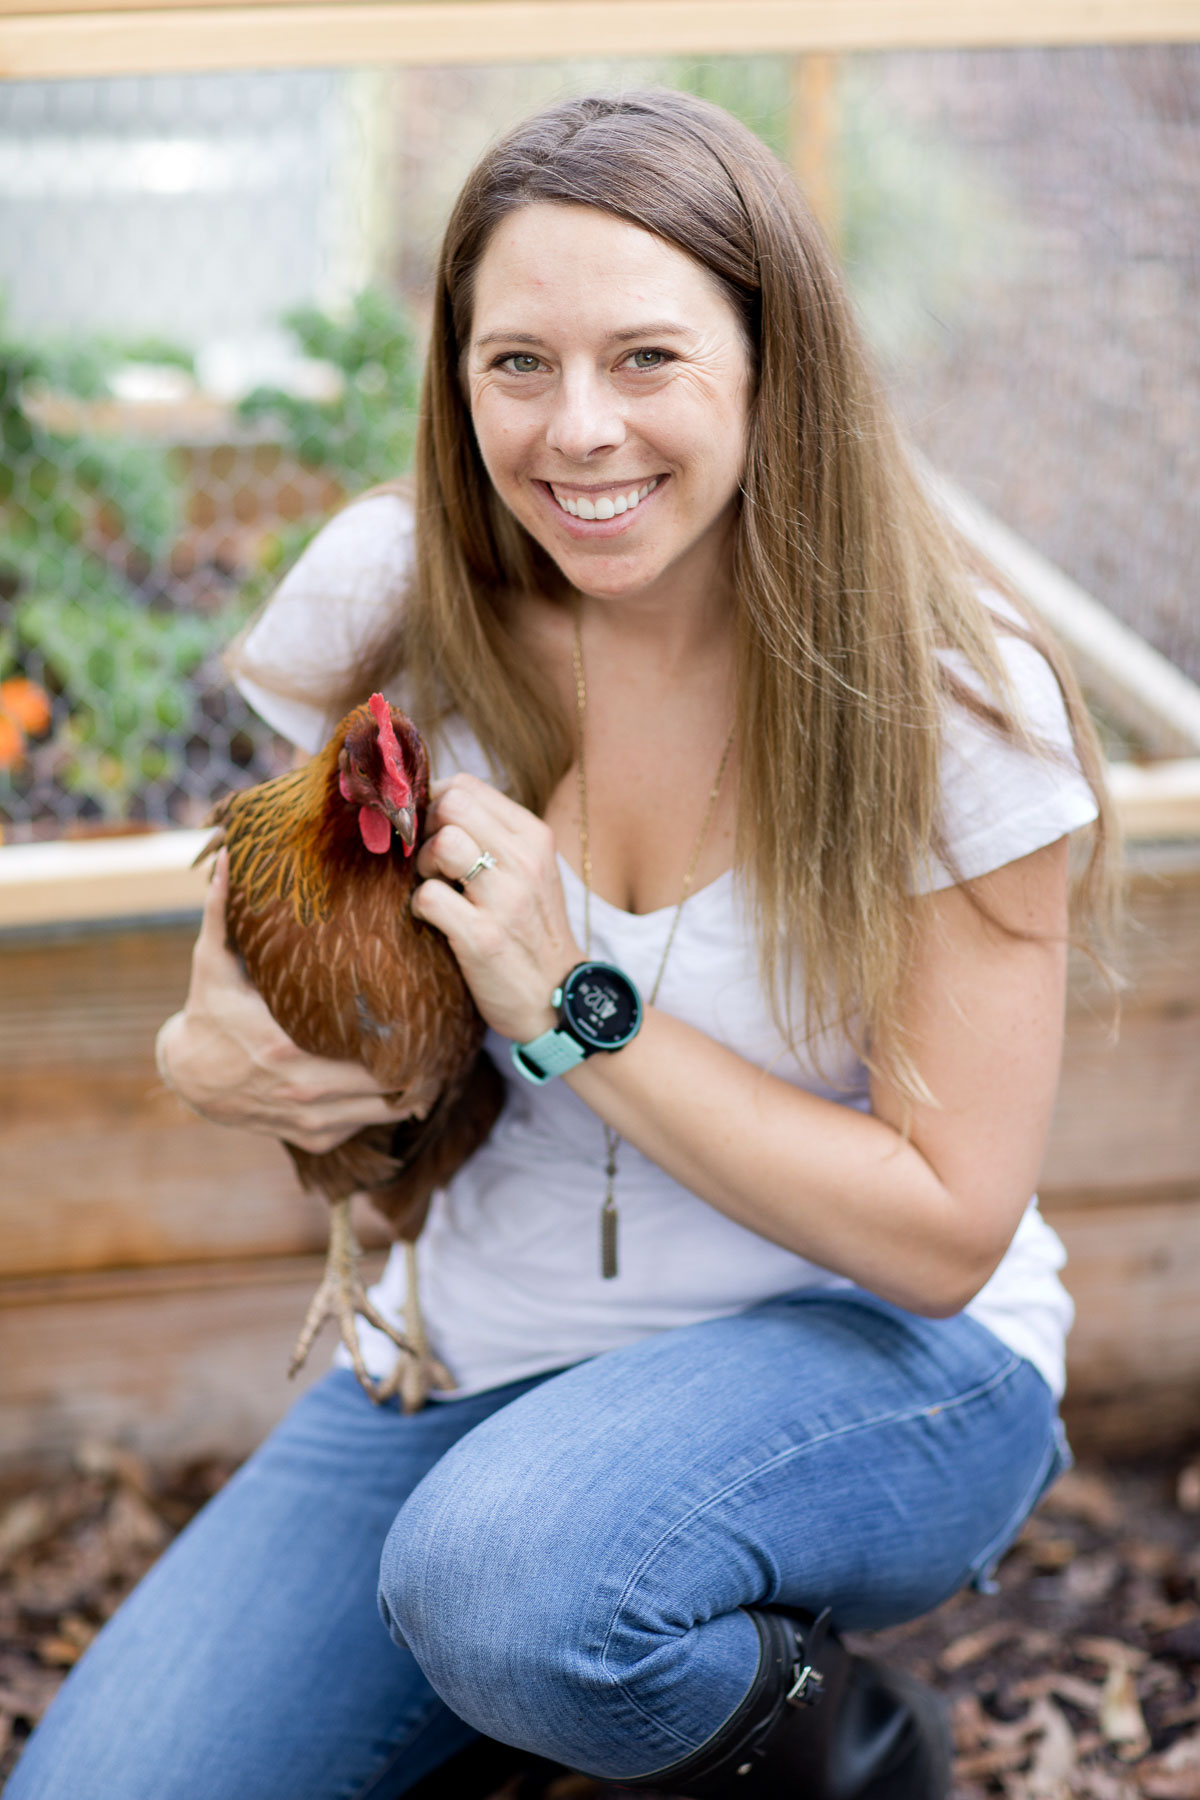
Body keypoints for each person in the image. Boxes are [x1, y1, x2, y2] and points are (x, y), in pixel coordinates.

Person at [10, 89, 1113, 1800]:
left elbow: (945, 1233)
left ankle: (844, 1743)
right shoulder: (391, 591)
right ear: (456, 375)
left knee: (514, 1584)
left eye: (648, 359)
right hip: (476, 1354)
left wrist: (571, 1009)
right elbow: (268, 951)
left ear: (770, 363)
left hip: (878, 1359)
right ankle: (546, 1690)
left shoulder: (954, 701)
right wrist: (214, 1051)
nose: (577, 432)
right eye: (517, 362)